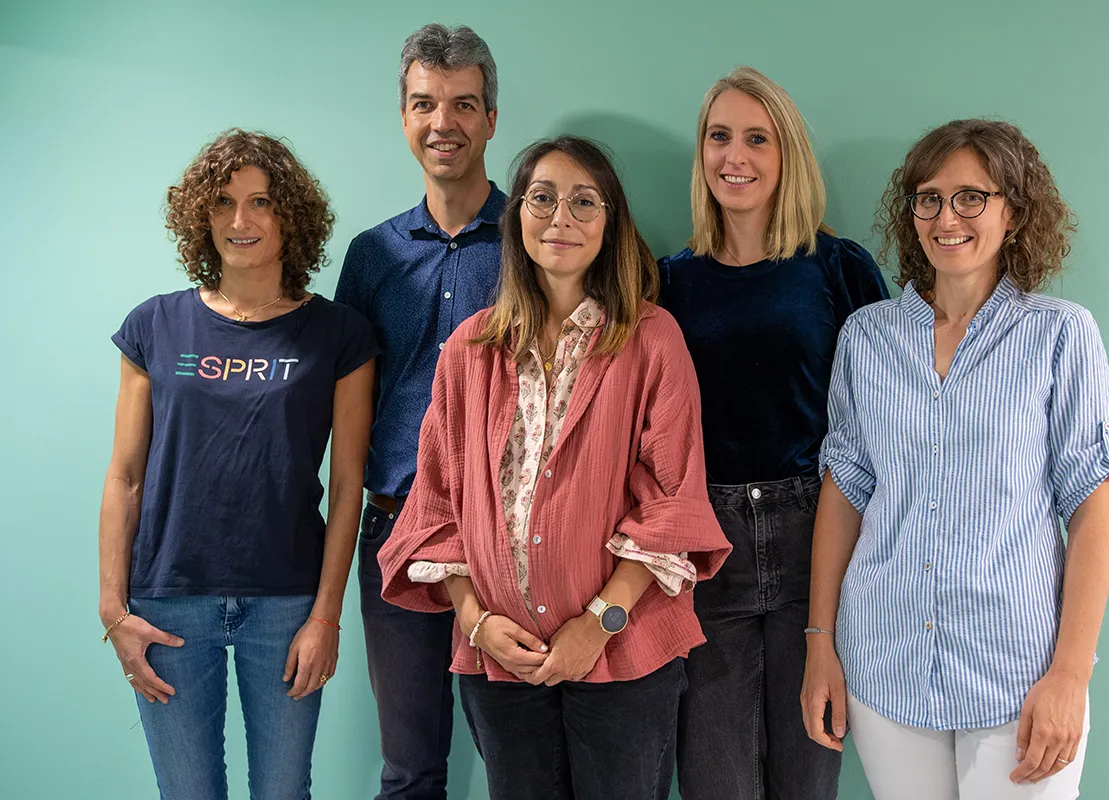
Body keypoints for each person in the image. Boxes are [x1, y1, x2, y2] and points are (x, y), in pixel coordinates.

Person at [378, 136, 732, 800]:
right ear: (517, 219)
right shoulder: (469, 350)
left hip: (622, 655)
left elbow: (672, 501)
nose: (560, 217)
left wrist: (598, 623)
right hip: (499, 659)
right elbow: (437, 504)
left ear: (610, 222)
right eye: (541, 198)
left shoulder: (651, 340)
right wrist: (479, 622)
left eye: (583, 201)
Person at [801, 119, 1109, 800]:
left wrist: (1071, 676)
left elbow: (1092, 512)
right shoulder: (867, 339)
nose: (947, 217)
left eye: (971, 197)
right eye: (929, 198)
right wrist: (819, 643)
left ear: (1013, 211)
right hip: (885, 663)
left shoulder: (1060, 336)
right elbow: (844, 492)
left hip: (1020, 672)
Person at [98, 128, 377, 800]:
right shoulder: (154, 326)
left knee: (284, 792)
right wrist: (113, 610)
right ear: (200, 215)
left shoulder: (338, 333)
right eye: (223, 202)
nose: (240, 221)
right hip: (167, 597)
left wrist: (326, 617)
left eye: (260, 202)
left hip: (287, 601)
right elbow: (125, 476)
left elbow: (347, 489)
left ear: (292, 216)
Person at [658, 66, 889, 799]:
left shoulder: (837, 267)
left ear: (787, 153)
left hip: (814, 544)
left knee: (808, 774)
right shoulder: (667, 282)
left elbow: (884, 417)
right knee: (713, 778)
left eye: (757, 139)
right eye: (719, 137)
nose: (737, 156)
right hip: (707, 549)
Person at [333, 23, 504, 800]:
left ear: (491, 119)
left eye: (465, 104)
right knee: (408, 771)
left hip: (505, 538)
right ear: (404, 117)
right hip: (396, 530)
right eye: (426, 104)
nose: (446, 123)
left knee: (524, 766)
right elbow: (349, 408)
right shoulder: (371, 255)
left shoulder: (537, 239)